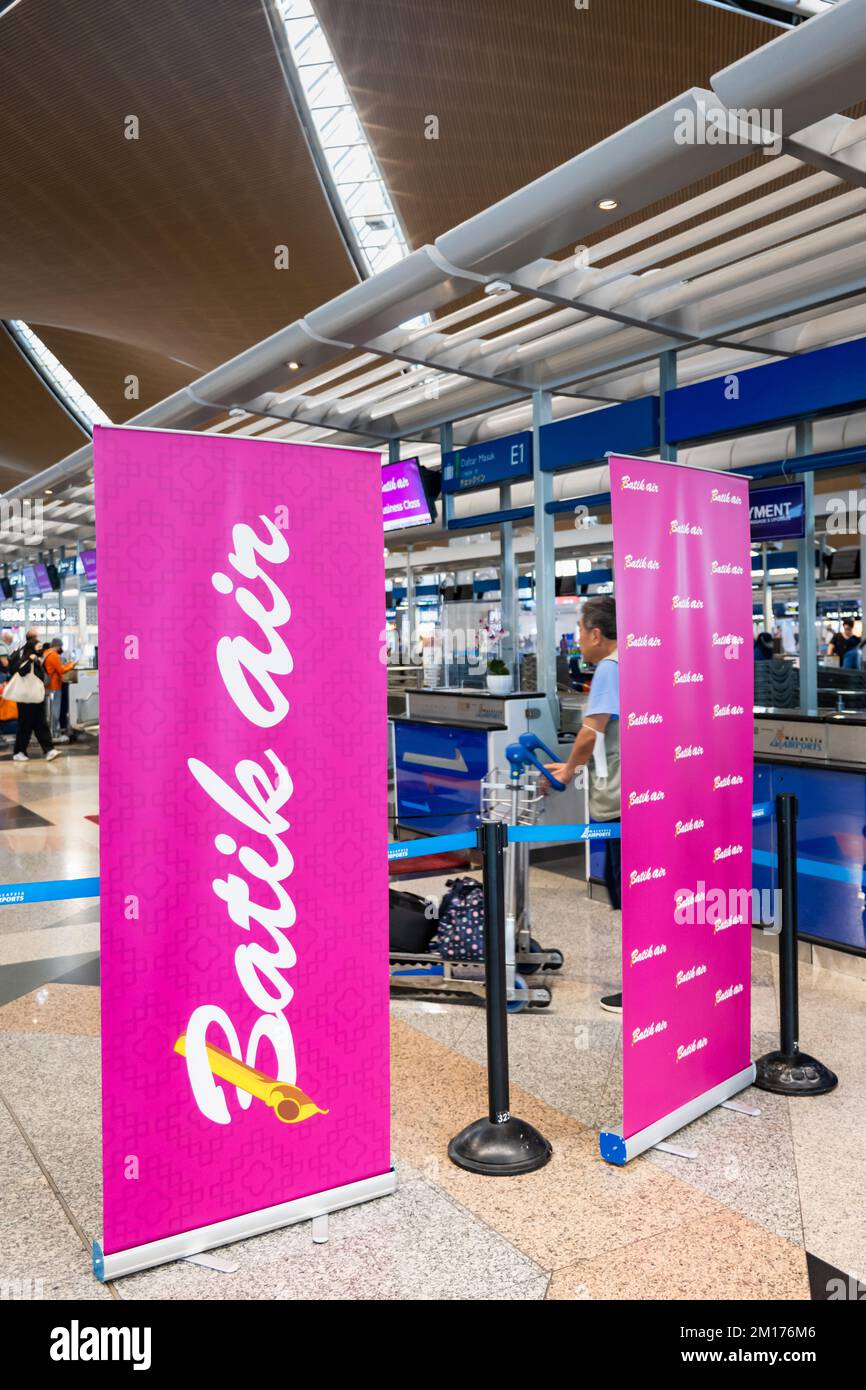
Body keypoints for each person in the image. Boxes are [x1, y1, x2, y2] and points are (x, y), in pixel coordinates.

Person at [545, 595, 622, 1014]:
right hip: (646, 791)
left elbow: (592, 733)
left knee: (629, 890)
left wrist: (570, 769)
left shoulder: (610, 667)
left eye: (578, 630)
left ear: (596, 633)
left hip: (621, 798)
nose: (577, 639)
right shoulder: (638, 660)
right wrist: (572, 762)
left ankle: (641, 988)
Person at [11, 638, 58, 762]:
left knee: (40, 723)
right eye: (38, 646)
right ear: (31, 647)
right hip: (26, 699)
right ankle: (19, 752)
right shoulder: (26, 659)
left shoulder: (37, 660)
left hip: (36, 698)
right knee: (25, 725)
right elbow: (20, 672)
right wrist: (30, 660)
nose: (40, 648)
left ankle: (49, 749)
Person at [43, 637, 76, 734]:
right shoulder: (54, 655)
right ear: (58, 646)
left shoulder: (46, 653)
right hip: (55, 685)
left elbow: (57, 667)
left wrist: (67, 665)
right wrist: (72, 665)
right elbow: (61, 670)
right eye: (61, 646)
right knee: (55, 709)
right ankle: (54, 731)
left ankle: (50, 729)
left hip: (47, 685)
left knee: (49, 710)